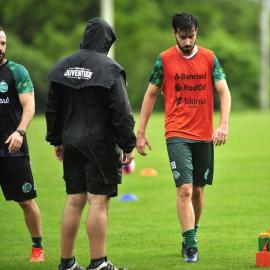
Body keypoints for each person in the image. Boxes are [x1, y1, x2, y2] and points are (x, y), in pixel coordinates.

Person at [136, 12, 231, 263]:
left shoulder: (210, 59)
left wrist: (223, 124)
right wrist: (141, 132)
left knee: (199, 191)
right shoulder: (164, 60)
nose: (187, 42)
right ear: (174, 34)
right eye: (182, 37)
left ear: (196, 32)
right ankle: (190, 245)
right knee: (185, 189)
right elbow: (150, 95)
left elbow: (223, 91)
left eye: (191, 36)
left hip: (203, 134)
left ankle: (191, 234)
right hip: (176, 133)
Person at [45, 18, 136, 270]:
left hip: (71, 142)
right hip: (100, 145)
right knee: (98, 201)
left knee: (74, 200)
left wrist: (56, 139)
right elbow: (121, 111)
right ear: (106, 41)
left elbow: (52, 107)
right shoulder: (110, 69)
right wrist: (128, 144)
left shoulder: (63, 66)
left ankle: (67, 263)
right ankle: (98, 263)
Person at [0, 26, 45, 263]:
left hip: (12, 147)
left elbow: (29, 106)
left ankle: (37, 247)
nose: (0, 48)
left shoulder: (17, 72)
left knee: (26, 201)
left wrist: (20, 131)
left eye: (3, 43)